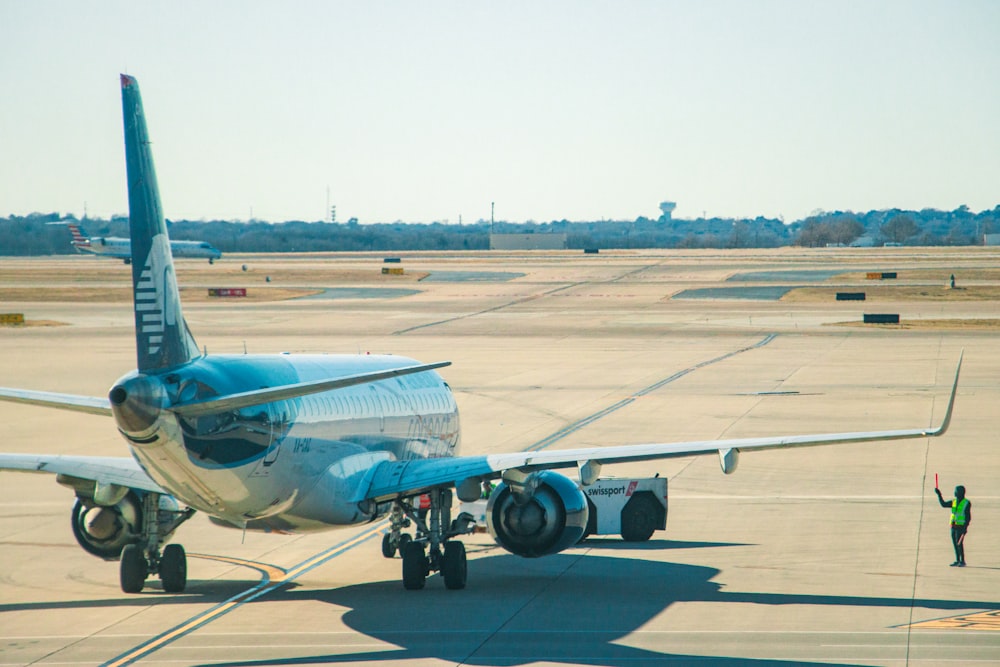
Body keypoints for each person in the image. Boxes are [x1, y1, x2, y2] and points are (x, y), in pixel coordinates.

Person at [935, 484, 971, 566]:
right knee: (955, 544)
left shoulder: (966, 503)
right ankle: (957, 560)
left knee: (959, 544)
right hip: (953, 526)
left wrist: (965, 528)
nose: (954, 492)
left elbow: (968, 517)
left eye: (956, 491)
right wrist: (939, 495)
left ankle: (962, 561)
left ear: (960, 493)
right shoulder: (954, 502)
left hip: (960, 527)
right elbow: (943, 504)